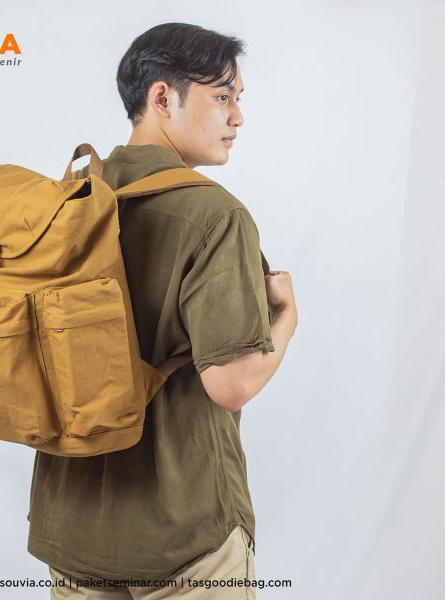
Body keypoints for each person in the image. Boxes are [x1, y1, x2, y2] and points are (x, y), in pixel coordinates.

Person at [26, 22, 298, 599]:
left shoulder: (70, 197)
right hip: (184, 535)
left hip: (72, 524)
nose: (238, 117)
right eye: (222, 97)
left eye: (238, 99)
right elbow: (230, 385)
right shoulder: (214, 216)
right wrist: (286, 321)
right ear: (162, 98)